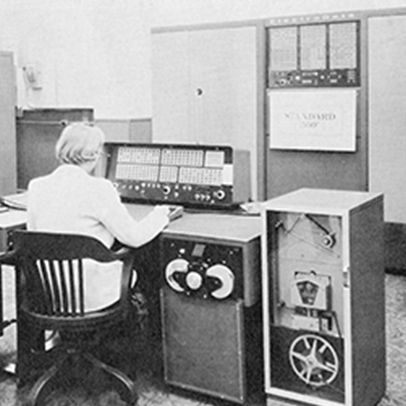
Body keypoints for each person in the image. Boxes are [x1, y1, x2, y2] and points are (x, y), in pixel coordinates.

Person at [27, 122, 171, 311]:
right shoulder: (100, 189)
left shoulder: (36, 187)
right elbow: (135, 238)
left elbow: (34, 236)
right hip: (94, 296)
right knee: (146, 263)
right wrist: (160, 215)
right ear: (94, 155)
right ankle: (142, 338)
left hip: (52, 293)